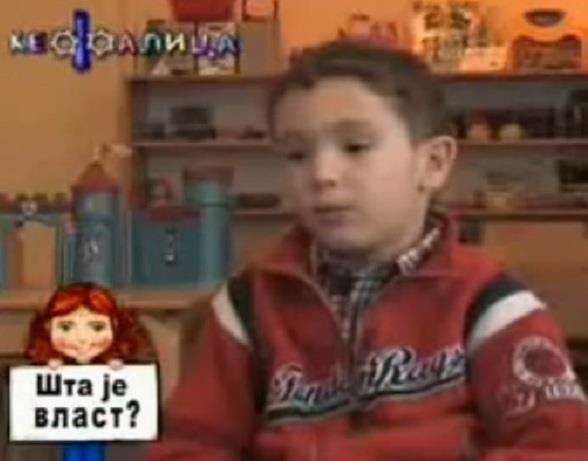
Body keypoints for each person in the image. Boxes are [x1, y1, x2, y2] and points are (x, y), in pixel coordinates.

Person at [147, 40, 588, 461]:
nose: (322, 174)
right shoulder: (245, 307)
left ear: (433, 164)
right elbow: (191, 446)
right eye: (296, 155)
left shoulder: (493, 307)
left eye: (355, 147)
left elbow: (559, 448)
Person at [26, 281, 154, 461]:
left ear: (115, 325)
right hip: (67, 426)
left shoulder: (113, 365)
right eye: (66, 327)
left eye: (97, 327)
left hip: (100, 425)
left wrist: (117, 370)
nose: (82, 339)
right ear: (48, 327)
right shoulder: (54, 366)